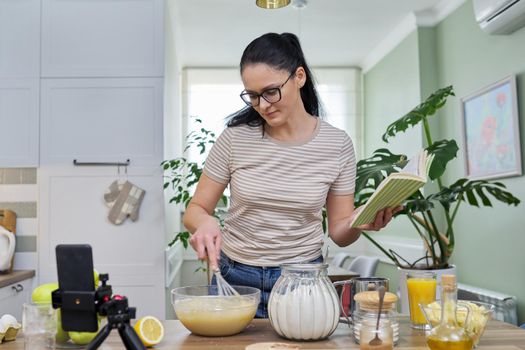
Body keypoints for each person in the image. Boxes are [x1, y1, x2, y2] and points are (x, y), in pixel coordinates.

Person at [183, 32, 399, 318]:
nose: (262, 105)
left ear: (299, 77)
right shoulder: (234, 139)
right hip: (236, 279)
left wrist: (362, 220)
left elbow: (339, 233)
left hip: (303, 281)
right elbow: (195, 210)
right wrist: (205, 222)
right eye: (253, 96)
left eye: (271, 91)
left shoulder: (337, 145)